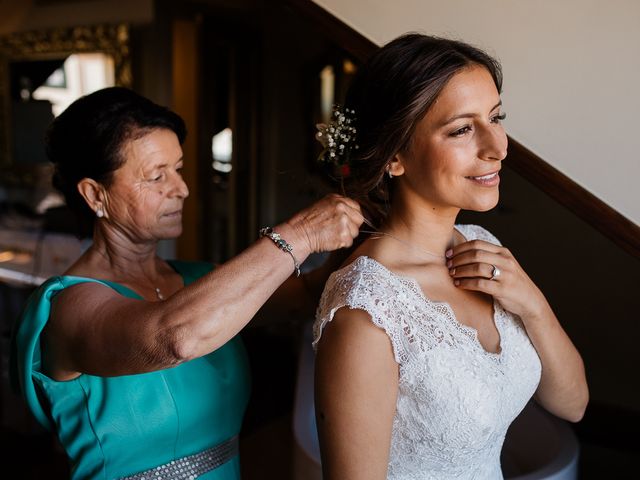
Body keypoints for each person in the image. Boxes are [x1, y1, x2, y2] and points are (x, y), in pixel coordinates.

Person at [10, 87, 363, 479]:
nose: (181, 188)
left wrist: (371, 223)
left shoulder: (200, 281)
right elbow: (174, 338)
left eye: (177, 168)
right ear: (95, 194)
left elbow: (312, 295)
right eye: (157, 175)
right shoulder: (66, 308)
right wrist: (299, 235)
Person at [313, 34, 589, 480]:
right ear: (395, 156)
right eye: (462, 129)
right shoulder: (366, 312)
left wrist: (533, 303)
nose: (497, 147)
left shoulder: (481, 244)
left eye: (496, 118)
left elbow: (573, 404)